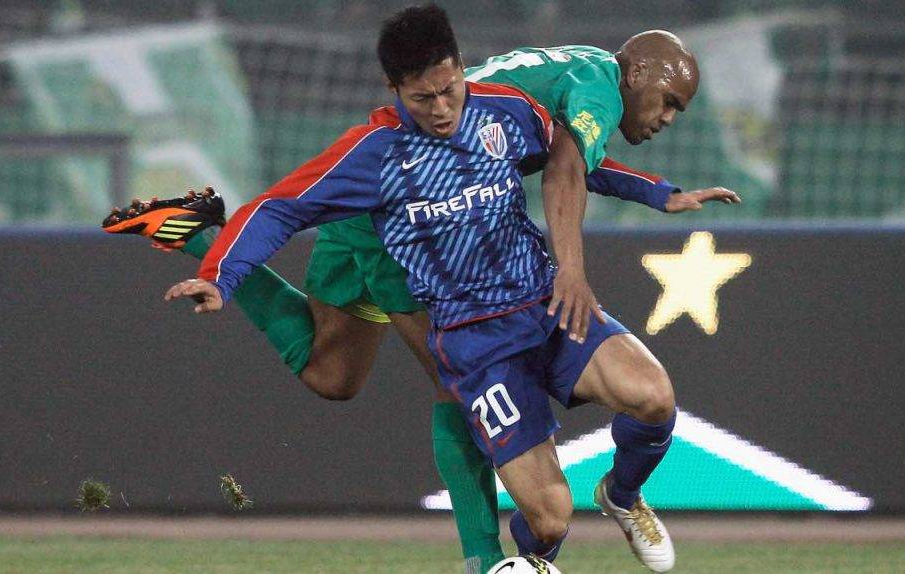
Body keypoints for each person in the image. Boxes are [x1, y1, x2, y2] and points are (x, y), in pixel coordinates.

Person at [102, 5, 737, 572]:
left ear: (463, 69)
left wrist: (655, 192)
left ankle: (553, 534)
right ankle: (500, 560)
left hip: (541, 304)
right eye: (422, 97)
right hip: (470, 336)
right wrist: (220, 275)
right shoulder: (374, 155)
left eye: (448, 89)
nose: (440, 109)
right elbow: (279, 208)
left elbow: (570, 156)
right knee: (538, 507)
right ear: (394, 89)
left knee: (652, 395)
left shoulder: (506, 112)